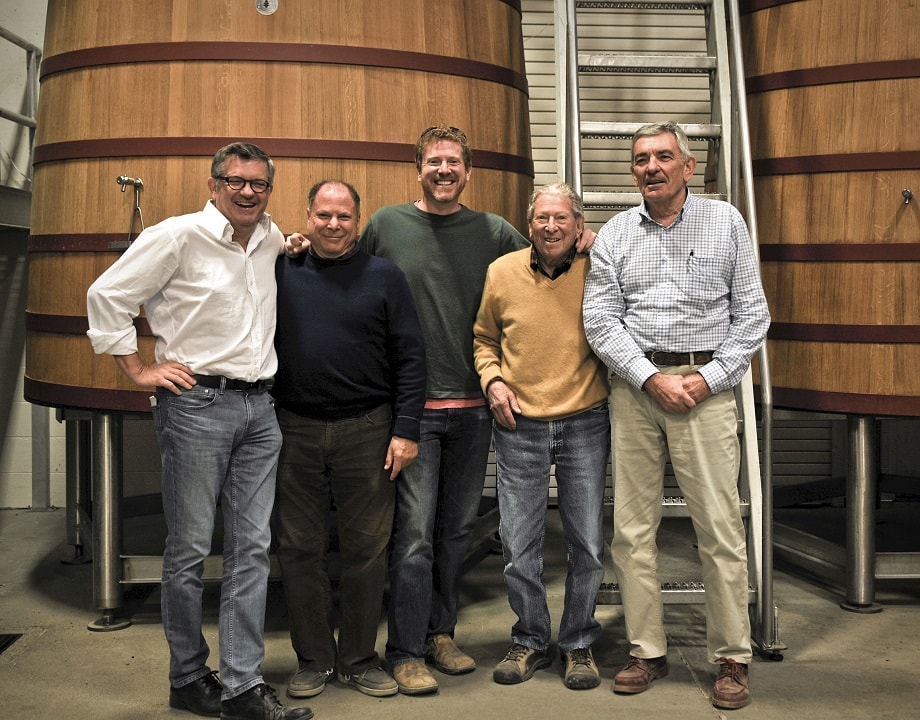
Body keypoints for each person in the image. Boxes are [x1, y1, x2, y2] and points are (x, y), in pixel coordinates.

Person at [86, 143, 312, 720]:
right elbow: (107, 296)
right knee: (188, 549)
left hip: (260, 410)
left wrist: (294, 243)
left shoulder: (267, 238)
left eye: (258, 184)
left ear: (268, 190)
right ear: (213, 185)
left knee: (251, 549)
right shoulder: (176, 235)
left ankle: (241, 685)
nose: (247, 192)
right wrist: (139, 368)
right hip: (196, 406)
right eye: (234, 181)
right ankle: (187, 677)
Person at [582, 121, 770, 710]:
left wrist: (708, 378)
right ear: (633, 171)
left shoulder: (726, 223)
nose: (652, 167)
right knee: (632, 529)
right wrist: (650, 377)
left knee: (718, 526)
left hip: (706, 389)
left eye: (664, 157)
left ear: (688, 167)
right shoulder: (615, 234)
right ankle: (647, 650)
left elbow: (754, 317)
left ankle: (732, 658)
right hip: (637, 391)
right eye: (641, 159)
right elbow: (600, 319)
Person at [358, 125, 531, 695]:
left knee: (456, 531)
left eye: (453, 162)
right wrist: (298, 247)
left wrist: (582, 240)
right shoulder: (385, 225)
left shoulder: (493, 232)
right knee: (412, 536)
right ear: (418, 169)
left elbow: (540, 271)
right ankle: (404, 650)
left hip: (474, 407)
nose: (444, 171)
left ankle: (441, 633)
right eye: (434, 162)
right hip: (411, 411)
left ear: (467, 172)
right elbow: (348, 280)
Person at [271, 180, 426, 700]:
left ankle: (359, 659)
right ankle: (314, 659)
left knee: (366, 549)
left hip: (368, 429)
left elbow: (410, 357)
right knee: (299, 547)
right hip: (293, 428)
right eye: (323, 215)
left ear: (358, 222)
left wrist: (406, 430)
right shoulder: (281, 268)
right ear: (307, 216)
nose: (333, 225)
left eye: (343, 217)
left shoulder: (385, 277)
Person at [473, 182, 611, 690]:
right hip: (518, 426)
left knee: (587, 544)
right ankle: (530, 638)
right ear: (529, 225)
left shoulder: (602, 266)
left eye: (561, 218)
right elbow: (485, 339)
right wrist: (492, 382)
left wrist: (603, 243)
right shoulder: (502, 271)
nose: (550, 227)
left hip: (585, 421)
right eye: (541, 219)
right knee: (518, 544)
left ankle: (578, 644)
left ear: (578, 226)